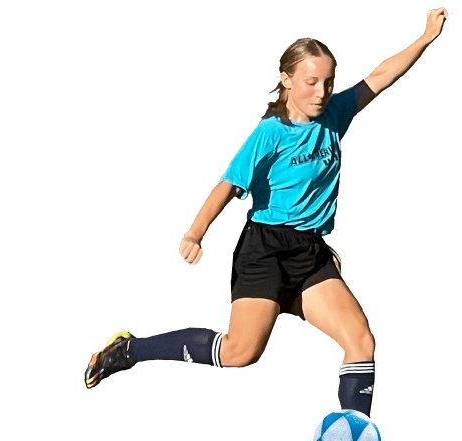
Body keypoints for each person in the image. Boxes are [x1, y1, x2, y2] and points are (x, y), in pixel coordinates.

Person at [84, 8, 450, 418]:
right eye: (311, 82)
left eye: (328, 82)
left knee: (361, 341)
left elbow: (380, 77)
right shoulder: (270, 132)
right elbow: (228, 184)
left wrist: (425, 38)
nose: (321, 92)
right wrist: (195, 232)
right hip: (265, 250)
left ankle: (354, 439)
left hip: (310, 253)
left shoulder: (334, 116)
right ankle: (129, 349)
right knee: (241, 352)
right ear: (287, 80)